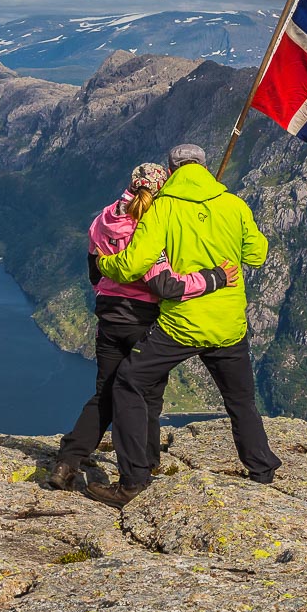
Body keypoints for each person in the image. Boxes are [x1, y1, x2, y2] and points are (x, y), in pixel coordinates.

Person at [85, 144, 280, 508]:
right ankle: (262, 469)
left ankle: (133, 481)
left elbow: (131, 265)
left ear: (172, 172)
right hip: (229, 325)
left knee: (128, 382)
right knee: (240, 400)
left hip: (182, 326)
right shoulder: (234, 205)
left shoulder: (163, 208)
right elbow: (258, 254)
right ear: (204, 168)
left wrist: (103, 265)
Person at [47, 162, 239, 492]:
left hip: (109, 318)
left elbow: (95, 271)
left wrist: (108, 294)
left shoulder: (103, 218)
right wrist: (215, 277)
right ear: (161, 189)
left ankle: (67, 462)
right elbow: (166, 286)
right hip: (143, 321)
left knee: (106, 393)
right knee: (146, 394)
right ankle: (144, 465)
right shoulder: (149, 225)